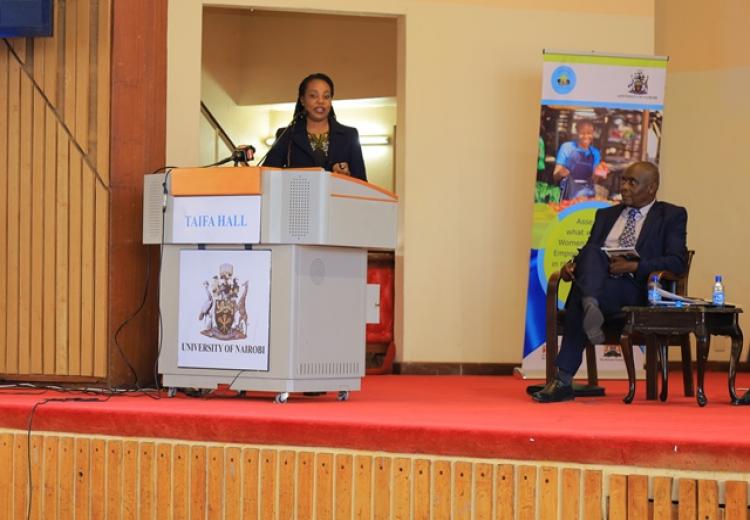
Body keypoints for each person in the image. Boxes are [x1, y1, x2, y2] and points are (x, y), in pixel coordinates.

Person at [532, 161, 688, 403]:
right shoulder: (605, 215)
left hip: (635, 287)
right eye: (623, 181)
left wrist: (634, 266)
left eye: (632, 182)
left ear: (651, 188)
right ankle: (589, 305)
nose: (624, 187)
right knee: (591, 252)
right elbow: (587, 254)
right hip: (600, 283)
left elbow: (677, 262)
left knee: (580, 295)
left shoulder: (671, 215)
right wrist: (571, 266)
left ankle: (562, 379)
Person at [263, 73, 367, 181]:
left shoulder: (349, 135)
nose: (320, 101)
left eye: (326, 96)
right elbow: (267, 177)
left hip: (338, 192)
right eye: (313, 96)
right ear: (302, 100)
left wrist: (347, 176)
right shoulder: (286, 135)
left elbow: (362, 182)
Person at [553, 120, 608, 200]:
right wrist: (561, 172)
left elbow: (594, 180)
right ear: (577, 132)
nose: (586, 136)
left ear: (593, 134)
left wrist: (600, 173)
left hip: (588, 196)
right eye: (582, 133)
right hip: (568, 197)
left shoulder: (595, 152)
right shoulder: (567, 147)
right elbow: (555, 176)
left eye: (589, 133)